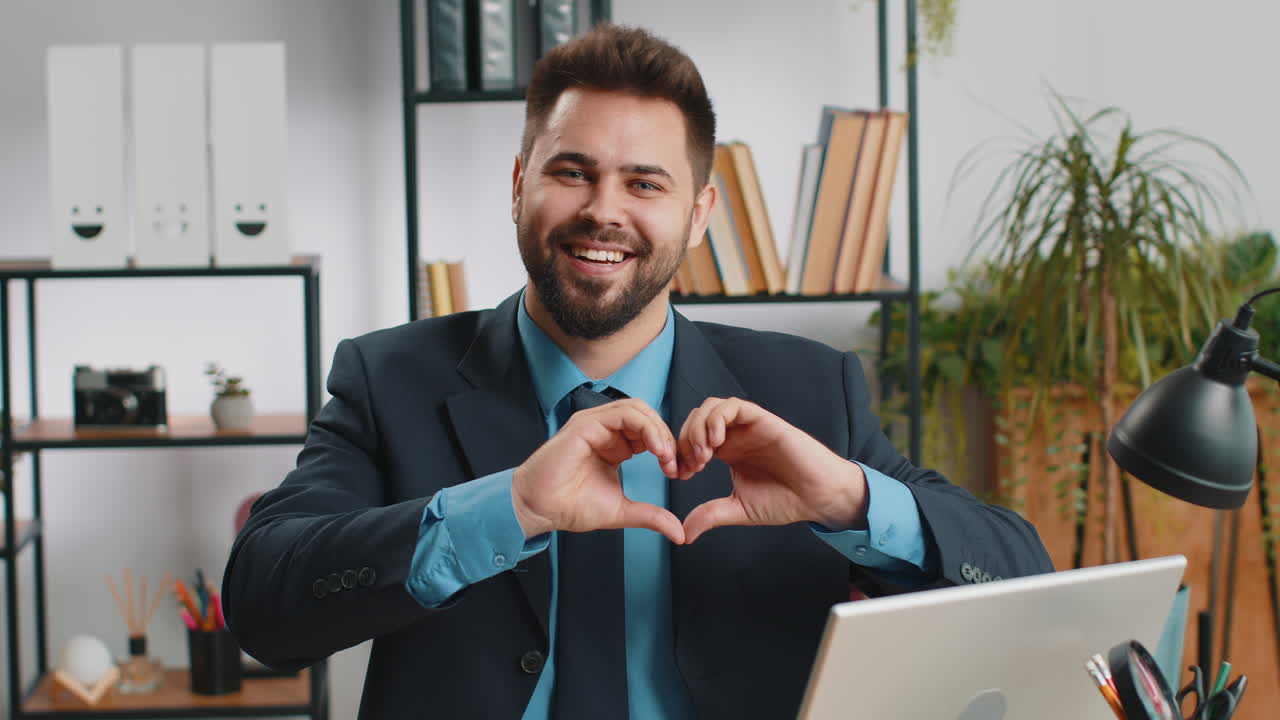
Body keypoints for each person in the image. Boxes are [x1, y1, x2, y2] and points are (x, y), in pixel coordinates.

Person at [223, 23, 1053, 720]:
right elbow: (263, 603)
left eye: (644, 182)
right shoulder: (388, 377)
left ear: (698, 215)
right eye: (570, 171)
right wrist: (504, 509)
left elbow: (1025, 583)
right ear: (518, 187)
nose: (603, 211)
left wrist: (850, 500)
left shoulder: (808, 390)